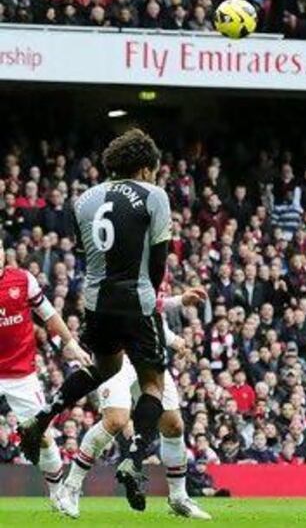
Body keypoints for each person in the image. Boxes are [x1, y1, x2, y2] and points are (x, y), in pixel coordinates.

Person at [19, 129, 173, 509]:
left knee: (104, 367)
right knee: (153, 383)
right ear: (143, 168)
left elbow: (91, 250)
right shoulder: (154, 196)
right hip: (135, 298)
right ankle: (134, 461)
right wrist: (149, 296)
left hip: (96, 302)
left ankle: (45, 413)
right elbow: (158, 259)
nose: (154, 176)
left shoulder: (83, 200)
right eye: (152, 170)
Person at [53, 287, 211, 520]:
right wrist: (175, 320)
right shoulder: (121, 260)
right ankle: (71, 487)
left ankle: (178, 497)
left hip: (147, 352)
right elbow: (132, 306)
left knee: (173, 425)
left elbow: (149, 308)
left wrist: (175, 318)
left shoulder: (152, 262)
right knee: (116, 420)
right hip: (117, 355)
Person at [0, 238, 92, 507]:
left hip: (21, 374)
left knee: (41, 436)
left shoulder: (22, 280)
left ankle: (56, 493)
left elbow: (49, 314)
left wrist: (70, 343)